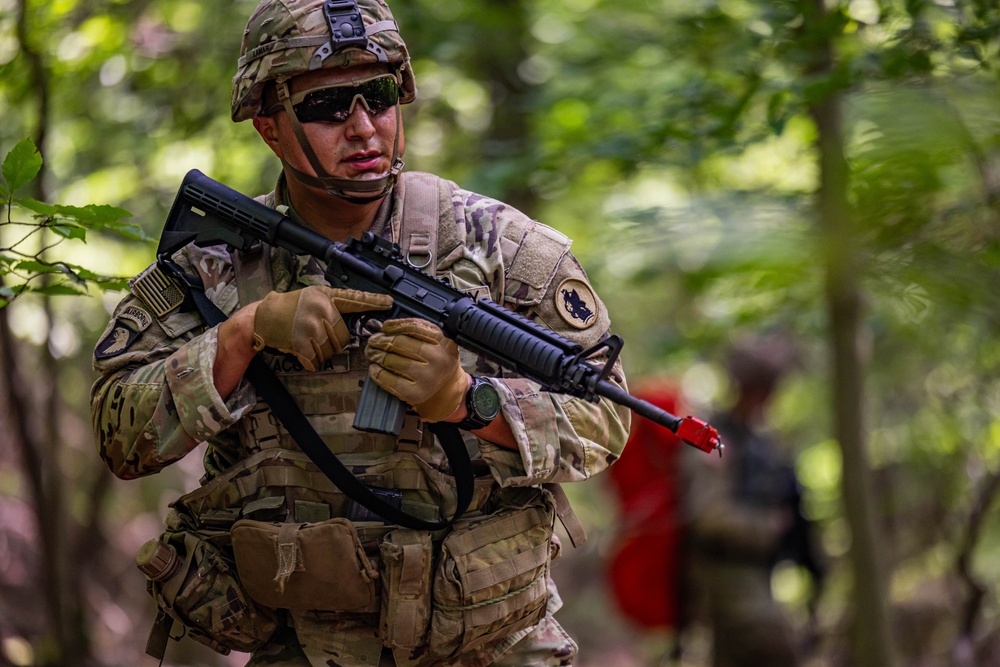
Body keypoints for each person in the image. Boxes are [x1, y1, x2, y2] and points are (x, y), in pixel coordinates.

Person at [89, 1, 630, 666]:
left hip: (490, 645)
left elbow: (607, 417)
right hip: (302, 646)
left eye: (378, 96)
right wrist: (241, 334)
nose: (364, 127)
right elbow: (118, 434)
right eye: (327, 106)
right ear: (269, 126)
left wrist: (468, 402)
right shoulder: (217, 266)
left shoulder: (501, 248)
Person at [679, 334, 821, 667]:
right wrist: (770, 527)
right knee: (773, 649)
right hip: (723, 571)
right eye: (766, 385)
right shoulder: (712, 438)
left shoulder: (763, 442)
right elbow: (708, 517)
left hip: (756, 572)